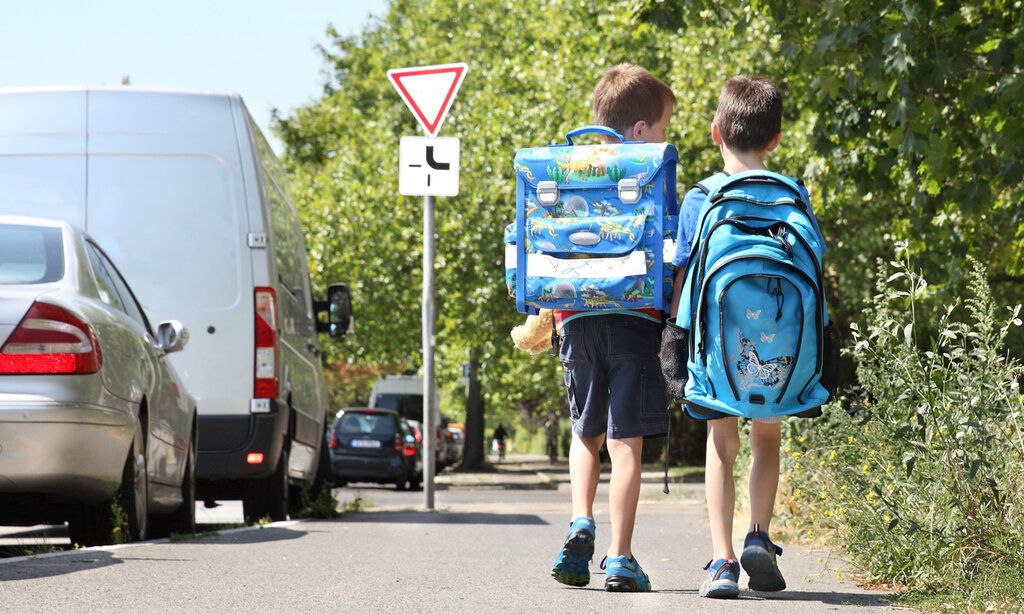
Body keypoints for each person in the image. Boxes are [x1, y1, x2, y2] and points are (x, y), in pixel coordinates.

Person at [668, 75, 826, 599]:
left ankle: (722, 560)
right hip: (779, 351)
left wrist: (673, 336)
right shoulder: (794, 196)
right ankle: (758, 533)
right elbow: (815, 267)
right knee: (766, 438)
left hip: (717, 351)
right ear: (776, 139)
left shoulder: (702, 199)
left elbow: (683, 276)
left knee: (721, 445)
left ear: (716, 133)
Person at [549, 64, 675, 593]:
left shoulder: (565, 168)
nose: (665, 138)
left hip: (575, 319)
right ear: (641, 130)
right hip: (633, 320)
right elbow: (669, 246)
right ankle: (621, 557)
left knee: (586, 431)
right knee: (626, 442)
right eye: (664, 128)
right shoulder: (648, 170)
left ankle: (581, 520)